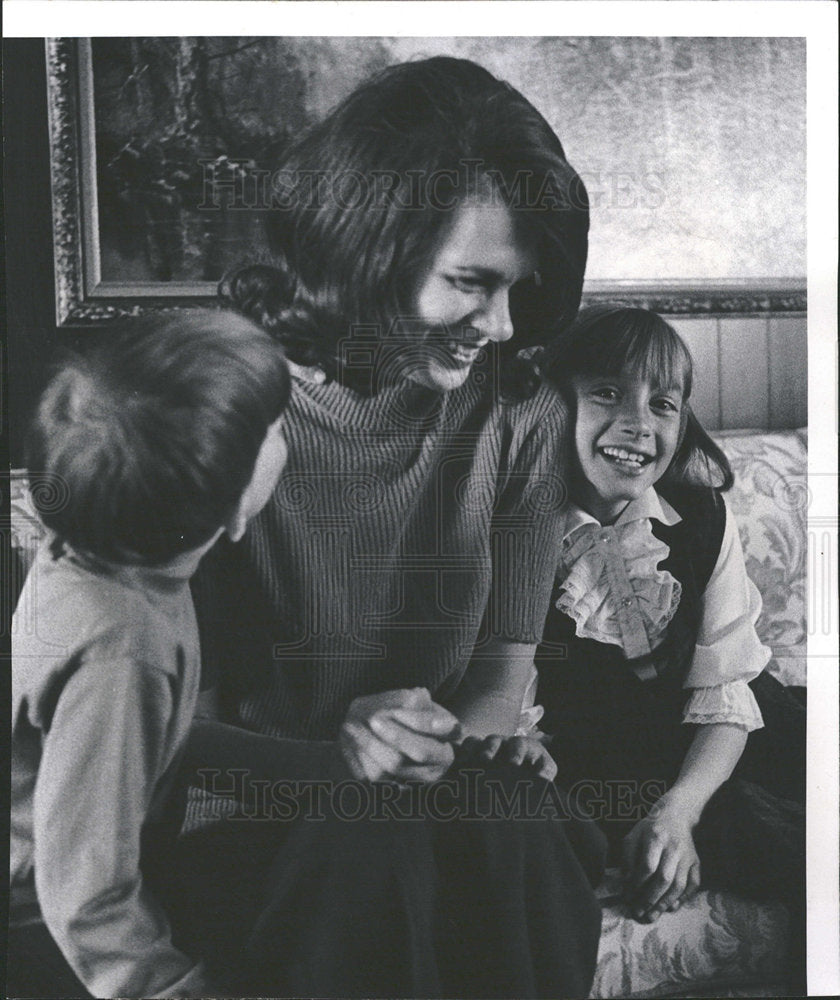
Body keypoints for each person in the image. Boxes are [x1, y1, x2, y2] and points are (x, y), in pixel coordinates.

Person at [188, 56, 606, 997]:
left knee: (513, 819)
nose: (500, 326)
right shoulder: (221, 408)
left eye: (516, 288)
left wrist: (432, 746)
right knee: (377, 838)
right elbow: (168, 719)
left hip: (442, 790)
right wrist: (339, 753)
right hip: (263, 803)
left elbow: (504, 666)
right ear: (368, 249)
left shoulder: (521, 414)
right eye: (470, 282)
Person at [9, 311, 291, 998]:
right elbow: (86, 891)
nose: (290, 436)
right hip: (38, 929)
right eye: (277, 431)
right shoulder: (122, 651)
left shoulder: (108, 553)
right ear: (229, 512)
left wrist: (316, 769)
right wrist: (174, 989)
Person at [531, 306, 805, 984]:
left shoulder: (701, 518)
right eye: (606, 394)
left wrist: (680, 810)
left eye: (663, 404)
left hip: (720, 740)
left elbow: (727, 693)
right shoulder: (517, 530)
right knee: (750, 834)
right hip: (600, 766)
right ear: (552, 405)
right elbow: (518, 725)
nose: (638, 423)